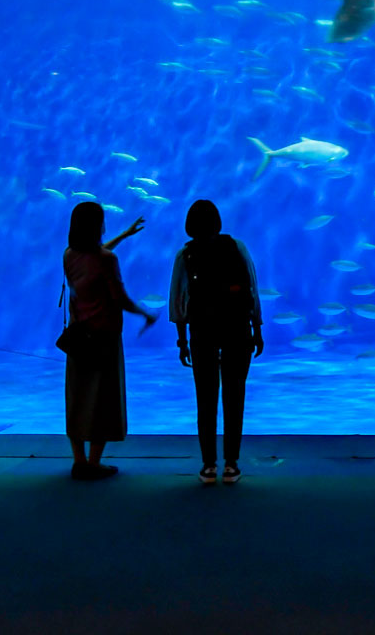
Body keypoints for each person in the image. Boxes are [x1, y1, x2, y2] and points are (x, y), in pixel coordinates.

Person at [169, 200, 264, 485]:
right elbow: (252, 288)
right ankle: (232, 465)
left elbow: (178, 301)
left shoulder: (185, 254)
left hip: (202, 332)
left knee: (206, 399)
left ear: (190, 225)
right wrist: (257, 329)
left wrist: (182, 341)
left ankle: (209, 465)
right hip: (237, 329)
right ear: (218, 222)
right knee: (235, 397)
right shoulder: (237, 247)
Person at [62, 203, 157, 480]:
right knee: (102, 398)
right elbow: (120, 298)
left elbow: (95, 256)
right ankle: (94, 463)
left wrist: (124, 236)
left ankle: (79, 461)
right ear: (97, 226)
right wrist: (145, 314)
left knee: (78, 397)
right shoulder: (106, 260)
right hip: (103, 336)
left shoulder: (69, 255)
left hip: (77, 336)